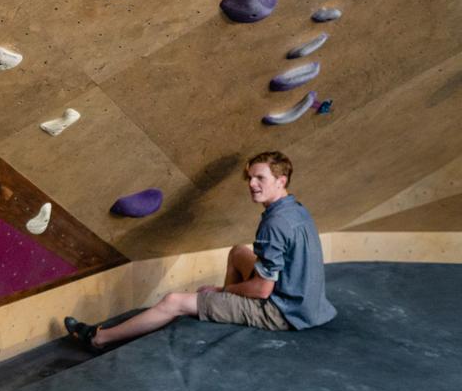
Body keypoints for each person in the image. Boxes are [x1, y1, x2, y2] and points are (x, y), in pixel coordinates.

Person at [65, 151, 336, 353]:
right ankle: (222, 314)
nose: (252, 184)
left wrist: (222, 292)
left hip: (282, 312)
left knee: (173, 301)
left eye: (260, 178)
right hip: (309, 305)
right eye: (250, 177)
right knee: (238, 252)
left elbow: (263, 290)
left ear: (281, 180)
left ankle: (100, 338)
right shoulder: (294, 208)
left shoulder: (274, 223)